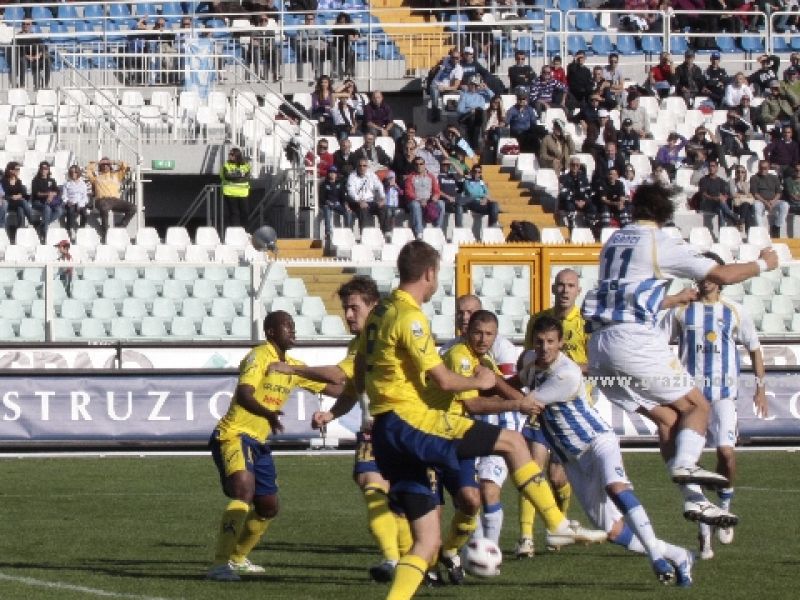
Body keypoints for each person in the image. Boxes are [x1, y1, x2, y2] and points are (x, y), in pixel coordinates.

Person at [355, 240, 606, 600]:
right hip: (410, 422)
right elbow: (444, 380)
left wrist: (347, 403)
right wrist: (480, 382)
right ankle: (556, 524)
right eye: (437, 274)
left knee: (426, 542)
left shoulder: (379, 314)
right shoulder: (410, 317)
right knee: (512, 442)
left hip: (384, 430)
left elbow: (358, 371)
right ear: (428, 273)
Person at [581, 182, 778, 530]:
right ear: (665, 214)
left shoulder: (613, 242)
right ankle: (687, 463)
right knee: (697, 406)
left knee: (669, 420)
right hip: (633, 340)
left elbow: (634, 291)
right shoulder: (660, 242)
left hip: (599, 345)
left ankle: (695, 500)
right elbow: (721, 274)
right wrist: (763, 264)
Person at [519, 317, 695, 586]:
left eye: (551, 342)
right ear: (534, 342)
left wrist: (490, 386)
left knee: (616, 487)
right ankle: (678, 555)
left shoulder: (565, 373)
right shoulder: (530, 361)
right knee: (611, 531)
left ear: (561, 343)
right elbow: (514, 381)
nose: (545, 347)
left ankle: (656, 559)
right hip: (572, 459)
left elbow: (525, 402)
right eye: (540, 342)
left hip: (597, 441)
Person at [274, 277, 408, 583]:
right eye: (345, 308)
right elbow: (350, 388)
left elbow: (336, 375)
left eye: (353, 308)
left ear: (373, 305)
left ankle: (418, 558)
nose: (348, 315)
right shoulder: (360, 342)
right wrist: (332, 414)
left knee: (405, 500)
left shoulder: (383, 336)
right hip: (377, 430)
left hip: (403, 426)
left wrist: (293, 369)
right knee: (373, 485)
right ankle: (393, 559)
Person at [207, 311, 341, 581]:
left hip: (260, 442)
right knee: (243, 490)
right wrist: (268, 413)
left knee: (268, 506)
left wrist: (359, 384)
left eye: (293, 326)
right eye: (286, 326)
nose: (292, 331)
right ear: (270, 331)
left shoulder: (292, 366)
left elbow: (337, 388)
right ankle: (220, 564)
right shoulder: (259, 356)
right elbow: (244, 395)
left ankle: (238, 558)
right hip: (234, 434)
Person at [661, 251, 767, 561]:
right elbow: (658, 342)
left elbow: (755, 348)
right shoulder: (681, 312)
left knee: (726, 454)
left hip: (723, 396)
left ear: (720, 277)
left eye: (711, 273)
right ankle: (704, 533)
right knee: (693, 465)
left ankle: (725, 505)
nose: (706, 279)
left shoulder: (734, 312)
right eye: (701, 273)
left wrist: (760, 388)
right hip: (690, 400)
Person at [439, 296, 523, 551]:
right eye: (461, 313)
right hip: (463, 429)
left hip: (498, 425)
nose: (465, 317)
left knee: (488, 490)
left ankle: (490, 550)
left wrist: (514, 397)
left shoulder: (501, 350)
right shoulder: (450, 353)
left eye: (470, 312)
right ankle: (470, 548)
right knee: (468, 496)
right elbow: (472, 402)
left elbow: (506, 390)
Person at [517, 268, 588, 558]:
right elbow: (527, 357)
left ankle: (558, 524)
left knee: (558, 478)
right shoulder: (539, 320)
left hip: (569, 409)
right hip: (539, 406)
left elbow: (593, 363)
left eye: (570, 285)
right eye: (560, 285)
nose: (564, 290)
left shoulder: (586, 323)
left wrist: (563, 366)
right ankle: (525, 538)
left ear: (578, 290)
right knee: (532, 468)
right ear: (552, 288)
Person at [403, 157, 443, 239]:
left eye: (421, 164)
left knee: (441, 203)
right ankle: (419, 232)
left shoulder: (431, 176)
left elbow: (437, 190)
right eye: (417, 164)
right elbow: (408, 193)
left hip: (428, 200)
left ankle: (438, 228)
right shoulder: (410, 177)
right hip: (415, 201)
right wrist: (419, 200)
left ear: (424, 165)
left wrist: (435, 196)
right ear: (414, 166)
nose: (419, 166)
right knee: (415, 205)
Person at [347, 158, 389, 234]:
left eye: (364, 166)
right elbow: (351, 192)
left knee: (383, 208)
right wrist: (360, 201)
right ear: (357, 166)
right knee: (363, 210)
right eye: (360, 166)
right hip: (357, 202)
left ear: (367, 167)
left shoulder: (371, 175)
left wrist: (383, 198)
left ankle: (385, 233)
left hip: (370, 201)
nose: (362, 168)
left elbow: (379, 186)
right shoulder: (352, 176)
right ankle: (365, 234)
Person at [750, 160, 789, 237]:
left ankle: (777, 227)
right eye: (761, 168)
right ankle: (762, 231)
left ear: (768, 168)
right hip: (761, 201)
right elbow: (755, 193)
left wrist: (773, 202)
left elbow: (779, 192)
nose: (763, 170)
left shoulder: (774, 178)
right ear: (758, 167)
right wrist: (765, 202)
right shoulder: (754, 178)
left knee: (785, 205)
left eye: (765, 168)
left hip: (773, 201)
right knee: (756, 206)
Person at [697, 159, 740, 228]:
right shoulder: (704, 180)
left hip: (718, 204)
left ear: (717, 168)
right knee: (720, 204)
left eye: (713, 166)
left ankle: (722, 232)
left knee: (720, 210)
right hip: (707, 204)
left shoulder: (721, 181)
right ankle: (734, 218)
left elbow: (725, 194)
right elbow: (703, 194)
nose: (711, 168)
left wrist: (723, 198)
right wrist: (714, 198)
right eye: (709, 166)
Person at [459, 164, 500, 235]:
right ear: (472, 172)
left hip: (483, 202)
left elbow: (487, 193)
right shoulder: (467, 182)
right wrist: (484, 196)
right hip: (472, 202)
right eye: (475, 171)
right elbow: (471, 193)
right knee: (491, 208)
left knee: (494, 204)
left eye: (479, 172)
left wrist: (485, 199)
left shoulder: (481, 182)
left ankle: (492, 226)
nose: (477, 174)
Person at [457, 76, 494, 153]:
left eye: (476, 85)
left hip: (479, 118)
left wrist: (486, 88)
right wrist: (470, 110)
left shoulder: (482, 95)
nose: (474, 87)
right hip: (467, 117)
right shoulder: (464, 95)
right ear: (469, 85)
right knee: (478, 112)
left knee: (481, 111)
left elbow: (493, 96)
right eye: (472, 85)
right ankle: (476, 142)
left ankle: (482, 135)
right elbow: (460, 110)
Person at [30, 161, 64, 241]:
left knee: (60, 211)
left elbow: (57, 191)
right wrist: (48, 195)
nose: (44, 170)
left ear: (48, 170)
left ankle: (42, 225)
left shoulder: (51, 180)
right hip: (38, 202)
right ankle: (44, 234)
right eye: (42, 168)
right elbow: (36, 193)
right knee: (47, 208)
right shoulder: (35, 180)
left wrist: (51, 195)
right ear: (40, 169)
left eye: (45, 168)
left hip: (50, 201)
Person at [429, 48, 464, 123]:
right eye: (453, 57)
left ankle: (435, 114)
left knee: (435, 91)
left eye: (457, 58)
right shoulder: (447, 59)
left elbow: (455, 87)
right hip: (435, 83)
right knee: (434, 88)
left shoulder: (459, 70)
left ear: (460, 58)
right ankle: (435, 113)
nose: (454, 60)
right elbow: (440, 62)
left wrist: (445, 88)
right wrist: (436, 67)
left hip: (445, 88)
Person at [218, 149, 251, 230]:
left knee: (245, 213)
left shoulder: (245, 165)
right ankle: (235, 232)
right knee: (234, 213)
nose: (230, 156)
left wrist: (234, 175)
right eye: (229, 154)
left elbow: (246, 177)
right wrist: (240, 175)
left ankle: (245, 231)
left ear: (237, 155)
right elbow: (227, 176)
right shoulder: (226, 165)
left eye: (232, 154)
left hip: (243, 192)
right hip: (230, 192)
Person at [558, 158, 595, 229]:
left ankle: (589, 226)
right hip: (571, 201)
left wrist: (584, 201)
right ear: (570, 166)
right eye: (573, 165)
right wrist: (575, 201)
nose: (575, 167)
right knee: (569, 205)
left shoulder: (584, 178)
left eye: (577, 165)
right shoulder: (564, 178)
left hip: (582, 201)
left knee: (592, 207)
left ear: (579, 166)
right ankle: (571, 227)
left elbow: (588, 191)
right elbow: (563, 194)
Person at [15, 20, 51, 89]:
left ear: (31, 25)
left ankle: (45, 84)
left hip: (36, 58)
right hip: (25, 58)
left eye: (28, 24)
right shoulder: (18, 37)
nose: (25, 25)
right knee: (22, 61)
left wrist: (39, 54)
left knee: (47, 60)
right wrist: (27, 56)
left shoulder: (34, 36)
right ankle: (22, 85)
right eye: (24, 24)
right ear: (21, 25)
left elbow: (44, 46)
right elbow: (16, 49)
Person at [1, 161, 34, 235]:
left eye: (19, 169)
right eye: (17, 169)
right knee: (23, 202)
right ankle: (32, 221)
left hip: (17, 202)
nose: (18, 171)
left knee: (21, 209)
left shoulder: (18, 181)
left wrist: (19, 196)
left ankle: (20, 232)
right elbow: (3, 195)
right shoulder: (4, 181)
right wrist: (12, 197)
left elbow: (23, 193)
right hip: (7, 203)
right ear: (10, 170)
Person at [319, 166, 351, 242]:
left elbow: (343, 196)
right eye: (330, 172)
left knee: (348, 212)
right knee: (327, 209)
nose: (332, 174)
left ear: (336, 174)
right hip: (328, 204)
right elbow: (321, 197)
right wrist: (327, 202)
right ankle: (328, 232)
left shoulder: (339, 184)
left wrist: (346, 205)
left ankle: (348, 231)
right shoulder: (324, 184)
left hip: (337, 204)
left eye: (333, 173)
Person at [62, 164, 92, 240]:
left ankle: (81, 228)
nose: (73, 174)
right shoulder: (67, 184)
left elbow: (85, 197)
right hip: (71, 202)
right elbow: (64, 196)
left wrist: (80, 204)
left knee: (85, 213)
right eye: (71, 172)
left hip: (80, 203)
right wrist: (67, 201)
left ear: (78, 173)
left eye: (75, 172)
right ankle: (70, 229)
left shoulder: (83, 184)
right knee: (70, 211)